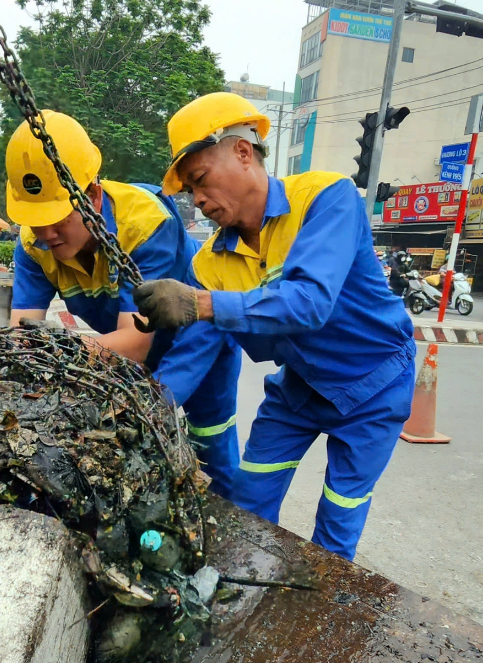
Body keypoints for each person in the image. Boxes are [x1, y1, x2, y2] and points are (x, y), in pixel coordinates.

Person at [133, 92, 415, 560]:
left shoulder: (327, 199)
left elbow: (308, 303)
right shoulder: (209, 263)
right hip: (300, 389)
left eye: (200, 180)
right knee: (250, 503)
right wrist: (144, 411)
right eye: (189, 190)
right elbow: (193, 353)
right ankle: (250, 597)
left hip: (374, 386)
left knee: (337, 520)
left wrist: (202, 303)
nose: (198, 199)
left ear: (243, 152)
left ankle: (317, 616)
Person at [6, 110, 242, 499]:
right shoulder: (33, 246)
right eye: (35, 221)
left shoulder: (145, 224)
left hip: (194, 340)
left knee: (209, 448)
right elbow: (21, 338)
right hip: (115, 350)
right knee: (126, 458)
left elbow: (135, 342)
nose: (46, 234)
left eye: (58, 218)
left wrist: (52, 353)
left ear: (93, 197)